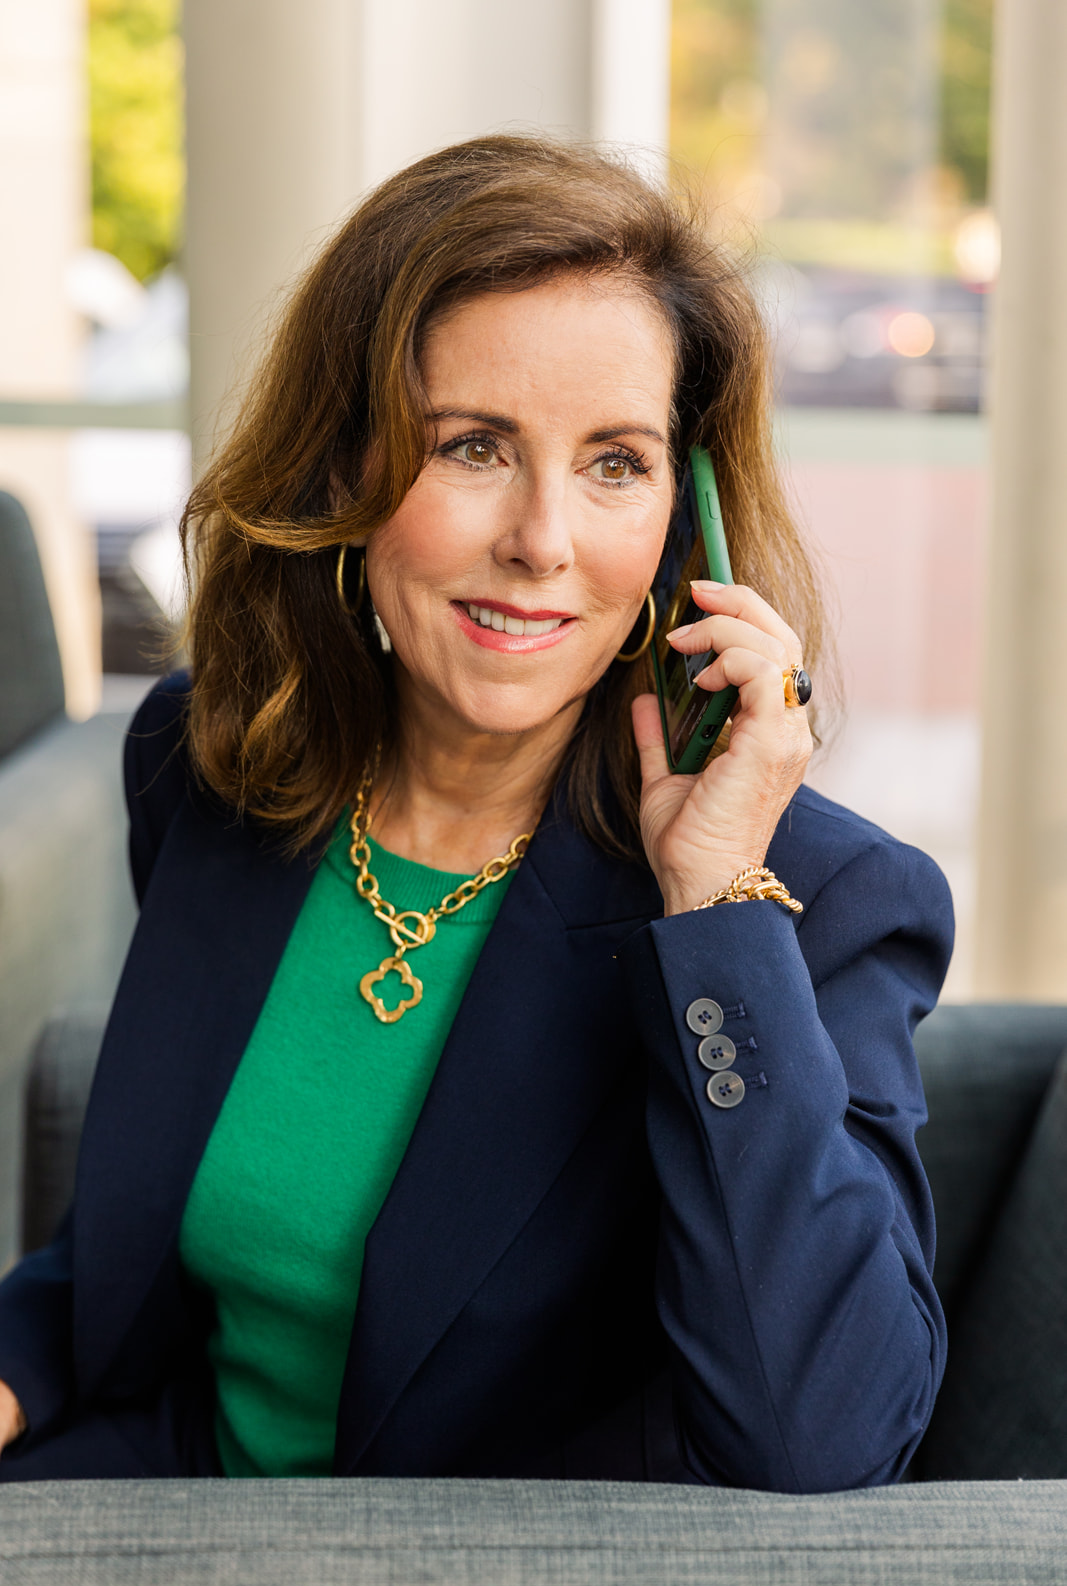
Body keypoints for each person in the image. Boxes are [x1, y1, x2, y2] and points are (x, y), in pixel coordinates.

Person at [0, 136, 952, 1488]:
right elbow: (159, 1245)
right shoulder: (217, 762)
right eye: (474, 448)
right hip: (169, 1505)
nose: (543, 539)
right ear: (344, 473)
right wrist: (20, 1362)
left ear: (685, 534)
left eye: (615, 463)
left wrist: (718, 897)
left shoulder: (819, 903)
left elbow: (829, 1438)